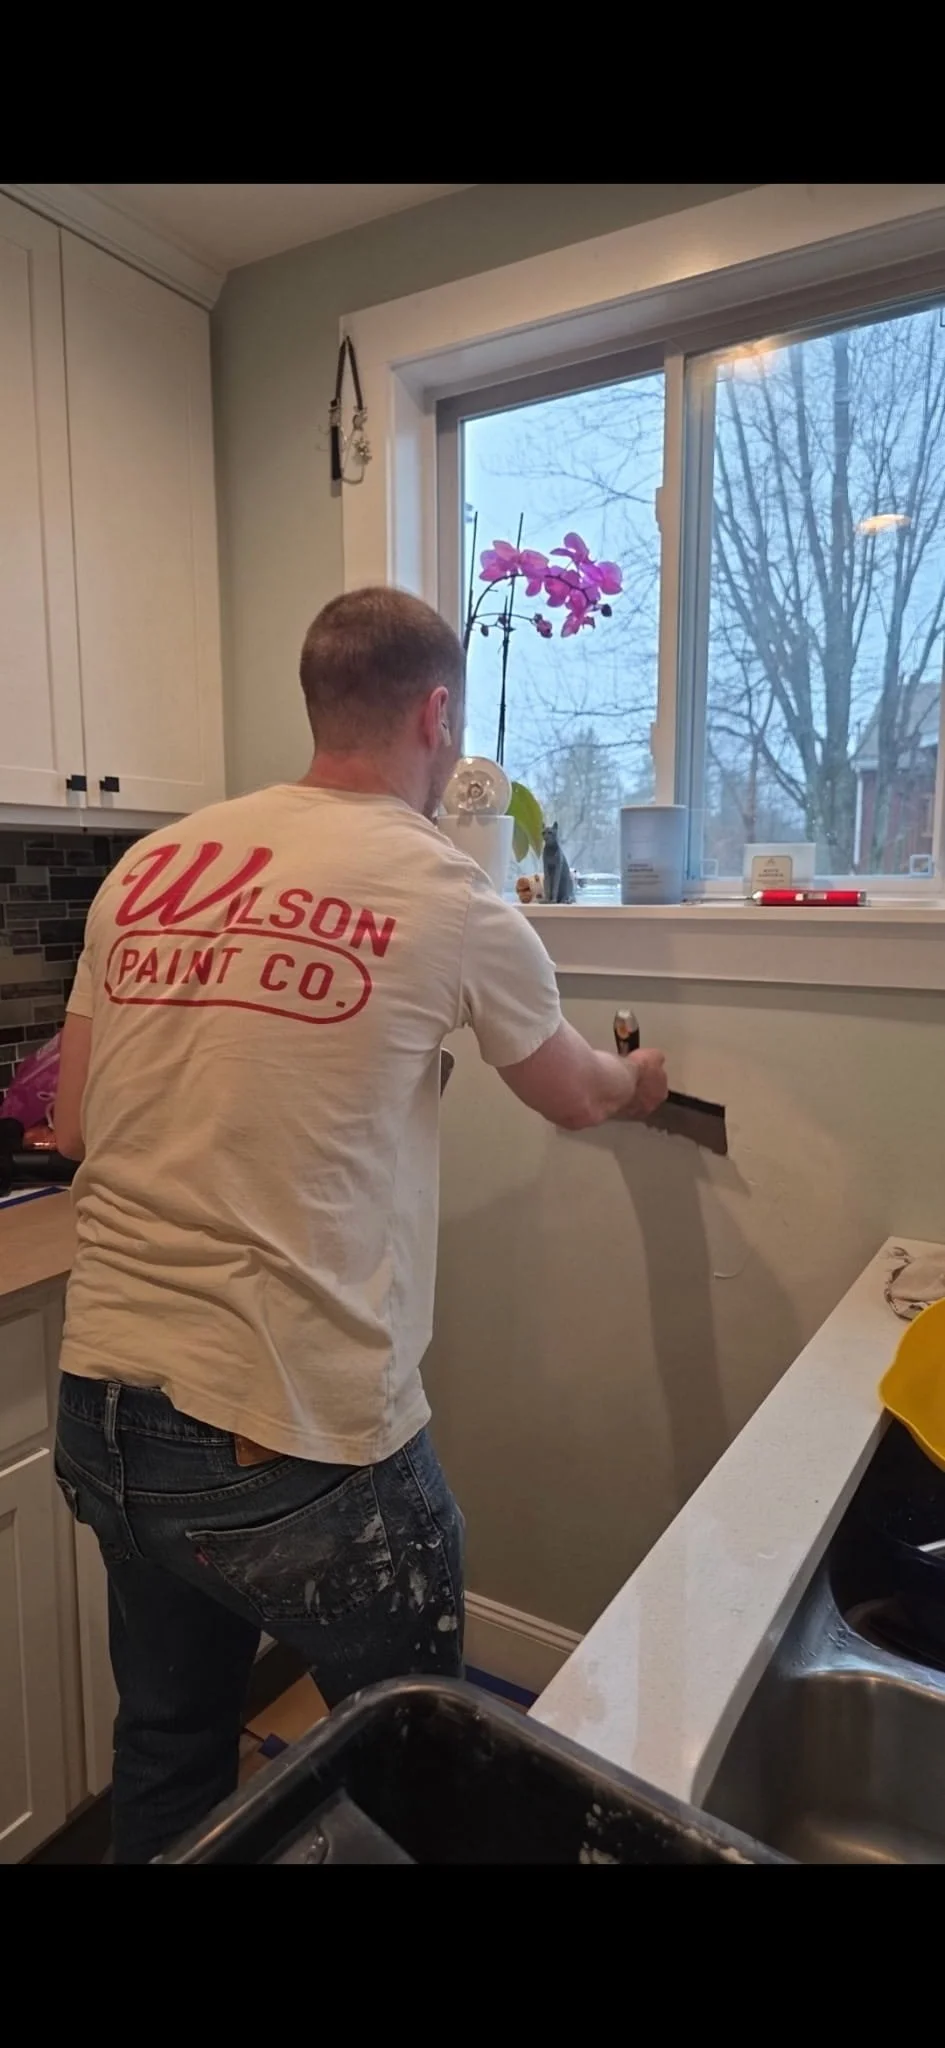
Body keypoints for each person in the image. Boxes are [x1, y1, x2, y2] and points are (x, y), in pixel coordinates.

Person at [53, 587, 668, 1862]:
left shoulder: (152, 864)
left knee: (168, 1745)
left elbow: (70, 1122)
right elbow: (572, 1092)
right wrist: (640, 1080)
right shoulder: (443, 890)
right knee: (420, 1769)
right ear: (438, 715)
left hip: (106, 1406)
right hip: (296, 1436)